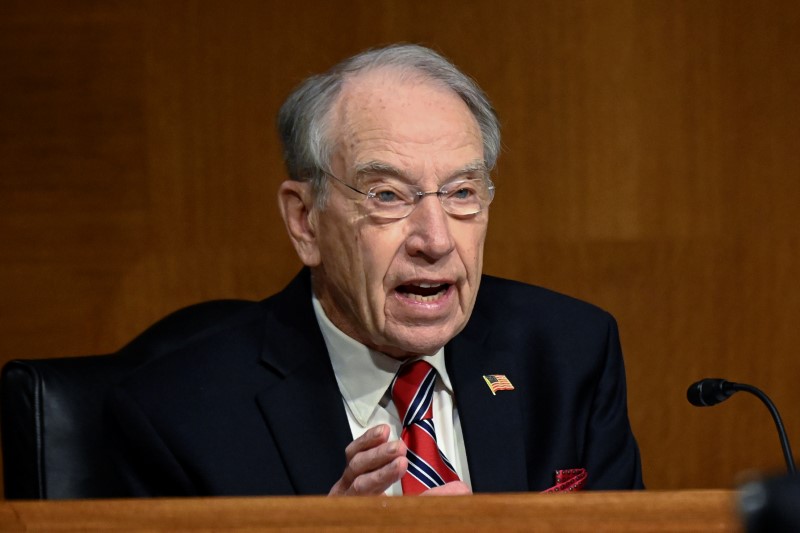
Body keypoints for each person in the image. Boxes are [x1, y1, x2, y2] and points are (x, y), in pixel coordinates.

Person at [105, 43, 644, 497]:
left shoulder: (570, 353)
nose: (434, 241)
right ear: (305, 221)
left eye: (461, 193)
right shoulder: (178, 416)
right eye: (387, 195)